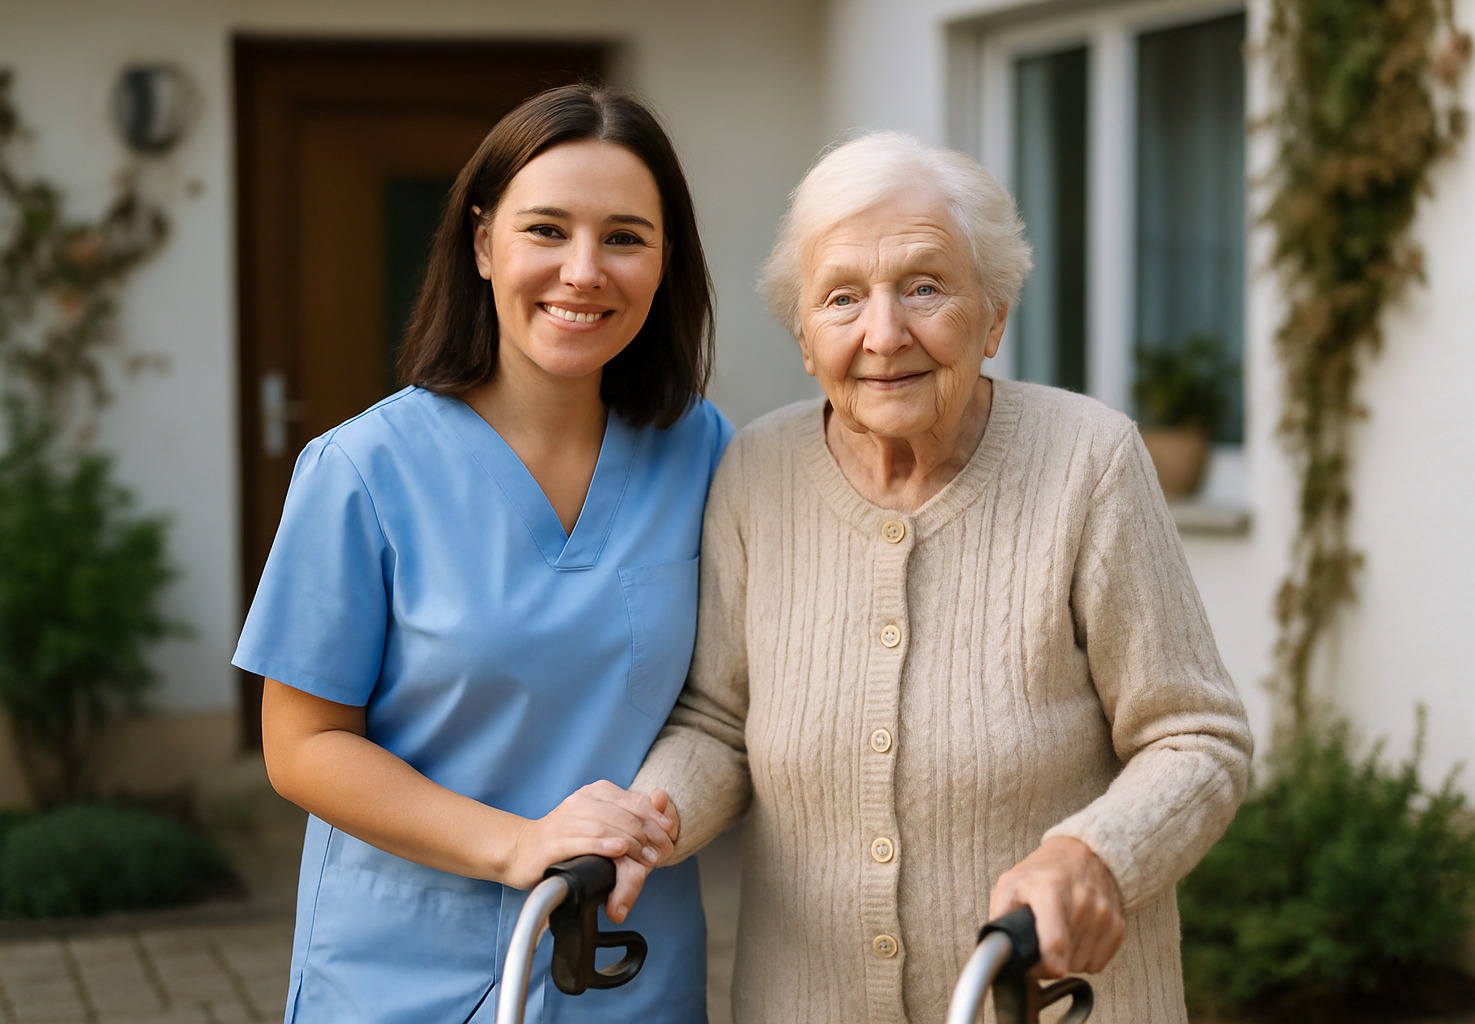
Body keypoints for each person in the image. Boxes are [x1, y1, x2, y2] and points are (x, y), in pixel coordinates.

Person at [629, 131, 1253, 1024]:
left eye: (925, 286)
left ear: (994, 315)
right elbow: (720, 724)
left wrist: (1095, 854)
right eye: (842, 297)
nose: (884, 334)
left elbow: (1198, 737)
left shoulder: (1089, 461)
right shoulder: (755, 473)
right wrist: (646, 821)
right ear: (805, 337)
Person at [233, 83, 730, 1024]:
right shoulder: (362, 470)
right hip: (406, 974)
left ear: (666, 263)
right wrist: (518, 845)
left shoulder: (706, 454)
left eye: (625, 237)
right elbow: (302, 747)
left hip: (625, 966)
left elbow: (728, 702)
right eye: (546, 229)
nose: (584, 270)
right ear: (481, 244)